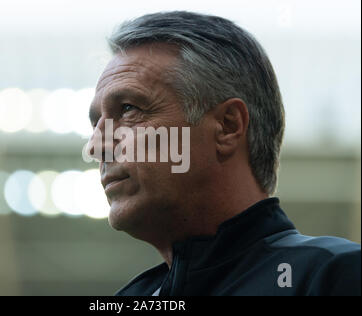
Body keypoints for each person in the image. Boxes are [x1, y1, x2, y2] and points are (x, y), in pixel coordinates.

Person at [86, 11, 361, 296]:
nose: (96, 146)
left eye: (129, 109)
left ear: (228, 126)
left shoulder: (334, 276)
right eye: (96, 124)